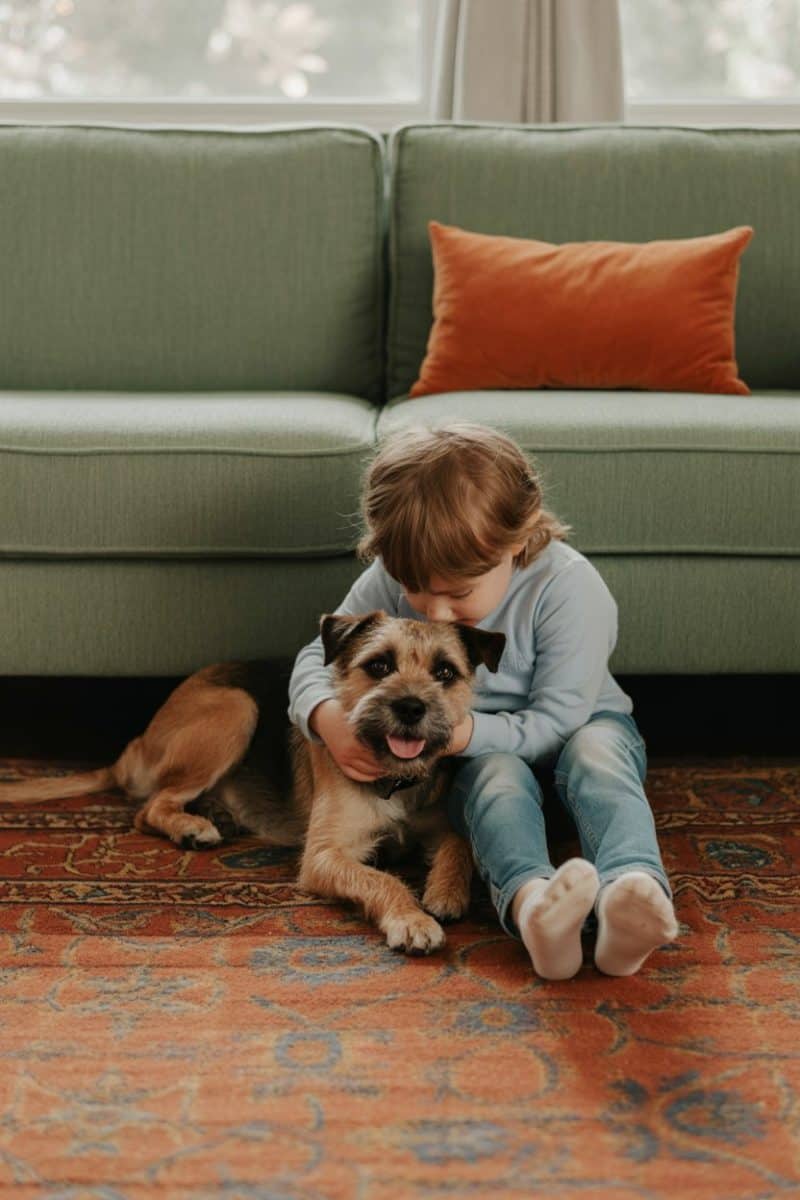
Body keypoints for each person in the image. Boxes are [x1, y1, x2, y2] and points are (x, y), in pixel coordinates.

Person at [288, 422, 678, 979]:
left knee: (599, 760)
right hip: (482, 751)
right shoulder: (402, 568)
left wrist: (466, 735)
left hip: (576, 725)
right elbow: (316, 656)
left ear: (515, 542)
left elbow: (559, 718)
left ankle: (630, 892)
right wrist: (325, 716)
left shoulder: (571, 589)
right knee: (495, 782)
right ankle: (533, 907)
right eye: (415, 589)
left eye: (457, 593)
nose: (434, 611)